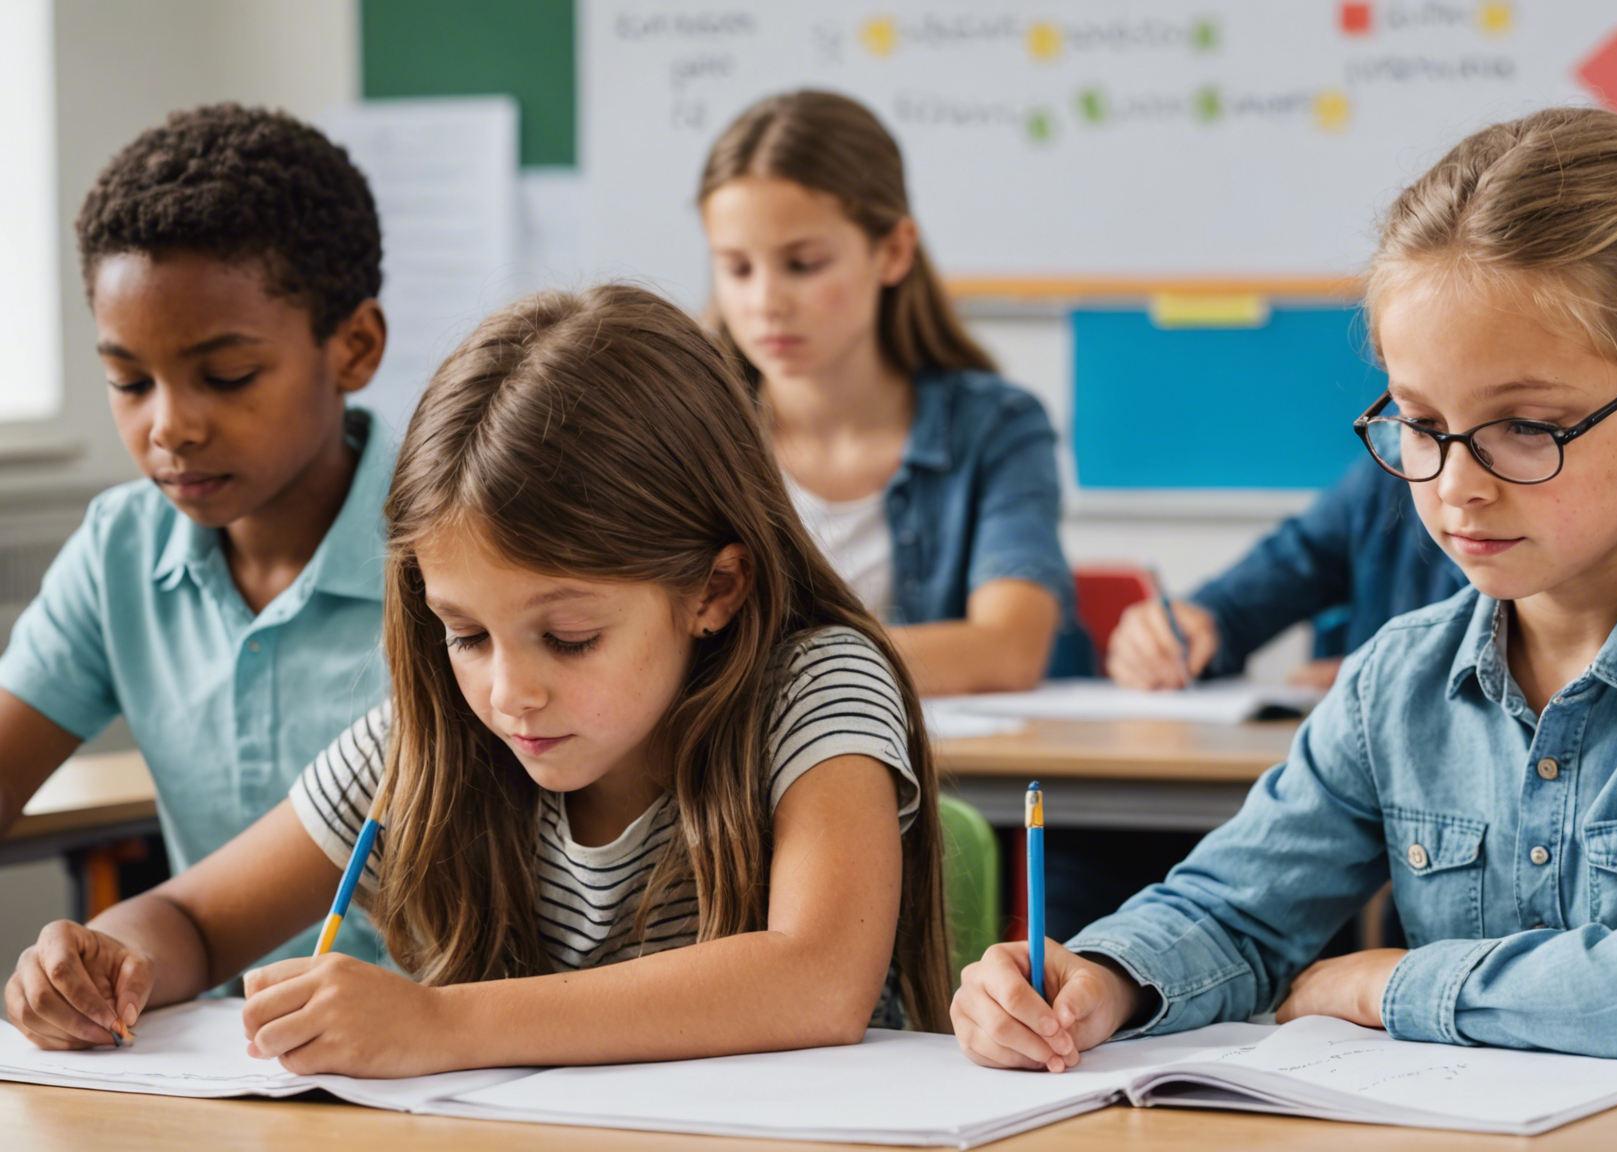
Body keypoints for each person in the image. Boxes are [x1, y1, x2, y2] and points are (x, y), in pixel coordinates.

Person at [953, 107, 1617, 1071]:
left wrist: (1387, 983)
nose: (1456, 484)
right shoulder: (1398, 678)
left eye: (1528, 425)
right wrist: (1098, 980)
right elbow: (1234, 907)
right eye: (1419, 421)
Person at [6, 286, 949, 1075]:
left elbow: (815, 979)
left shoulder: (815, 685)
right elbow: (192, 920)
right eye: (465, 635)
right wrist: (106, 960)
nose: (509, 692)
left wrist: (445, 1025)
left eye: (570, 638)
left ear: (715, 588)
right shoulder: (428, 743)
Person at [0, 104, 394, 971]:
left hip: (462, 1052)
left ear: (354, 347)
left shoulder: (466, 543)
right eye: (128, 381)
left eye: (227, 376)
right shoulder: (123, 550)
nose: (170, 427)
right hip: (227, 1059)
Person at [698, 89, 1089, 695]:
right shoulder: (689, 429)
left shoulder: (997, 427)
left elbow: (1009, 650)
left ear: (894, 251)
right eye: (737, 268)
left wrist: (775, 665)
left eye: (803, 264)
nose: (764, 303)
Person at [1107, 458, 1467, 692]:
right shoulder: (1386, 470)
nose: (1455, 486)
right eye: (1423, 423)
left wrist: (1395, 675)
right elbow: (1295, 558)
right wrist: (1195, 624)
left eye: (1519, 426)